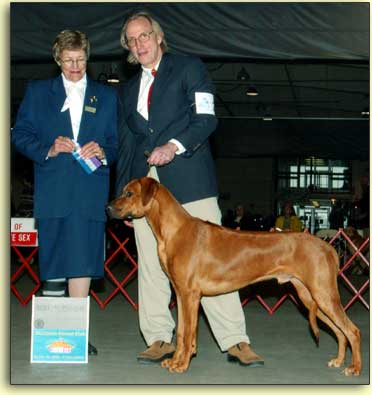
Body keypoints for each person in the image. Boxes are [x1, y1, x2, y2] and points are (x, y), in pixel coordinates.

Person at [115, 11, 263, 367]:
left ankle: (234, 340)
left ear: (158, 37)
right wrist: (124, 199)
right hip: (145, 192)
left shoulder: (188, 68)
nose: (140, 44)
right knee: (151, 265)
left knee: (212, 263)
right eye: (132, 40)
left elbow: (207, 118)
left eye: (144, 36)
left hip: (190, 181)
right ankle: (158, 338)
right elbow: (126, 144)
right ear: (129, 49)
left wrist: (175, 146)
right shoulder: (128, 88)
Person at [11, 30, 118, 355]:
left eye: (81, 60)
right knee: (55, 260)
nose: (75, 66)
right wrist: (48, 148)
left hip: (90, 190)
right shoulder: (38, 91)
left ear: (88, 57)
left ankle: (76, 333)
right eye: (69, 60)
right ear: (58, 60)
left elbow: (115, 145)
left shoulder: (106, 96)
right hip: (54, 189)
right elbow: (20, 136)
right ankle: (55, 334)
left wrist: (102, 151)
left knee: (83, 261)